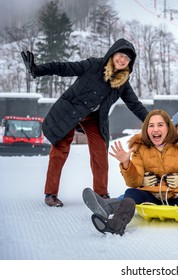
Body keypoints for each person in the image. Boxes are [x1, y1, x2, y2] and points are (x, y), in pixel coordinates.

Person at [21, 39, 149, 207]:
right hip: (70, 110)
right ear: (112, 53)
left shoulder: (122, 83)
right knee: (60, 149)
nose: (122, 60)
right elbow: (64, 68)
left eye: (127, 58)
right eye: (120, 55)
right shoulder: (92, 65)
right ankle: (50, 193)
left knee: (100, 153)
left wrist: (156, 121)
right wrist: (38, 70)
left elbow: (135, 105)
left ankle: (101, 193)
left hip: (94, 118)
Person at [83, 105, 178, 234]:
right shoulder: (145, 146)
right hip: (155, 191)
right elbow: (139, 176)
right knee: (131, 193)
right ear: (173, 128)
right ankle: (113, 221)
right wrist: (129, 166)